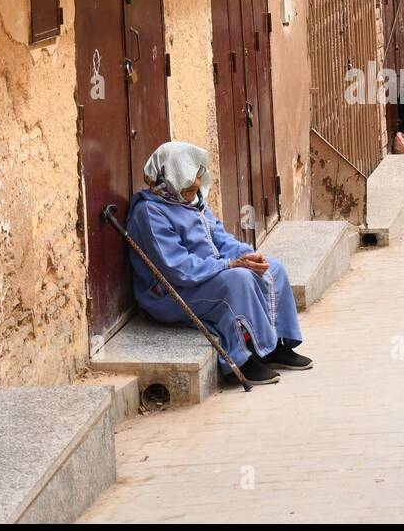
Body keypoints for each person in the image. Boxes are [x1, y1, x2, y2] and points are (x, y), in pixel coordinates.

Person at [126, 141, 310, 386]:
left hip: (208, 275)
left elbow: (221, 239)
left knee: (271, 268)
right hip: (170, 292)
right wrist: (229, 265)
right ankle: (243, 358)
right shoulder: (149, 213)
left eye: (195, 188)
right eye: (189, 189)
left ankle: (274, 345)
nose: (195, 193)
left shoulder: (190, 202)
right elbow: (177, 268)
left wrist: (249, 256)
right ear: (169, 181)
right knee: (238, 280)